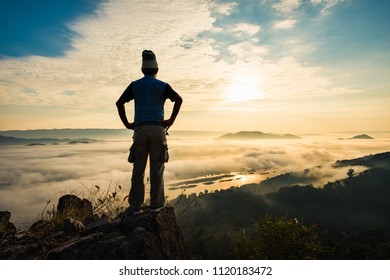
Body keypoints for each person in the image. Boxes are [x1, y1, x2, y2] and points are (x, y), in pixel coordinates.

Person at [116, 50, 183, 214]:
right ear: (156, 70)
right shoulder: (163, 86)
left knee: (138, 169)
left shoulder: (135, 85)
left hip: (139, 129)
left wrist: (127, 124)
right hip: (158, 129)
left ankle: (135, 207)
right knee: (157, 169)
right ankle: (156, 205)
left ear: (142, 70)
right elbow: (179, 99)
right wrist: (171, 121)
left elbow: (119, 103)